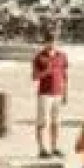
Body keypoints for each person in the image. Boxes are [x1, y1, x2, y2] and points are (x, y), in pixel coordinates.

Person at [32, 29, 69, 159]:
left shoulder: (62, 56)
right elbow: (34, 77)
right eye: (49, 41)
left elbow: (65, 75)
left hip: (58, 93)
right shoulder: (39, 57)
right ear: (45, 42)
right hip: (45, 94)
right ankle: (42, 148)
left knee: (56, 122)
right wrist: (46, 71)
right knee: (43, 122)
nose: (51, 44)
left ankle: (54, 147)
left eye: (53, 41)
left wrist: (65, 93)